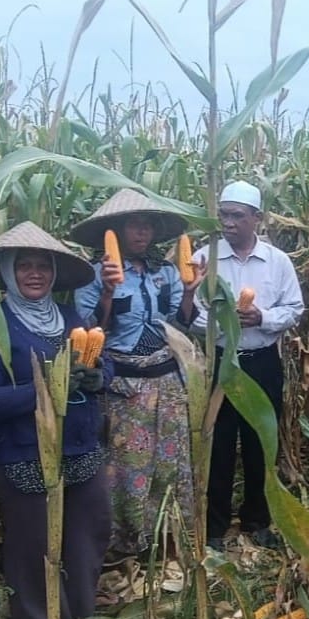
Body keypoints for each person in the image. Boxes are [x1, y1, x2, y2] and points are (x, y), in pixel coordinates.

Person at [0, 221, 112, 619]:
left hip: (80, 447)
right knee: (34, 545)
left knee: (89, 531)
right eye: (24, 265)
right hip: (23, 451)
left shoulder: (69, 316)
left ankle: (82, 613)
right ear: (8, 273)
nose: (34, 273)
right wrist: (47, 388)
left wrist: (100, 377)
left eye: (42, 266)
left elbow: (101, 363)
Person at [71, 189, 205, 561]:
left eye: (148, 226)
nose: (141, 233)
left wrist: (191, 293)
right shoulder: (95, 274)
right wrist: (109, 292)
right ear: (116, 229)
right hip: (124, 384)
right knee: (127, 466)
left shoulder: (165, 272)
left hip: (167, 379)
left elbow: (180, 324)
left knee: (170, 461)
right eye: (133, 225)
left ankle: (168, 537)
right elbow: (88, 331)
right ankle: (126, 542)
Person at [192, 180, 305, 550]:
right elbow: (190, 313)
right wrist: (221, 323)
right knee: (218, 445)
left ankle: (258, 520)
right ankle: (214, 526)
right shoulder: (203, 257)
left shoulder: (278, 262)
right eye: (223, 214)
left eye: (237, 216)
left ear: (257, 218)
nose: (228, 222)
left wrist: (264, 318)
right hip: (220, 363)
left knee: (261, 444)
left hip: (261, 363)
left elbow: (294, 310)